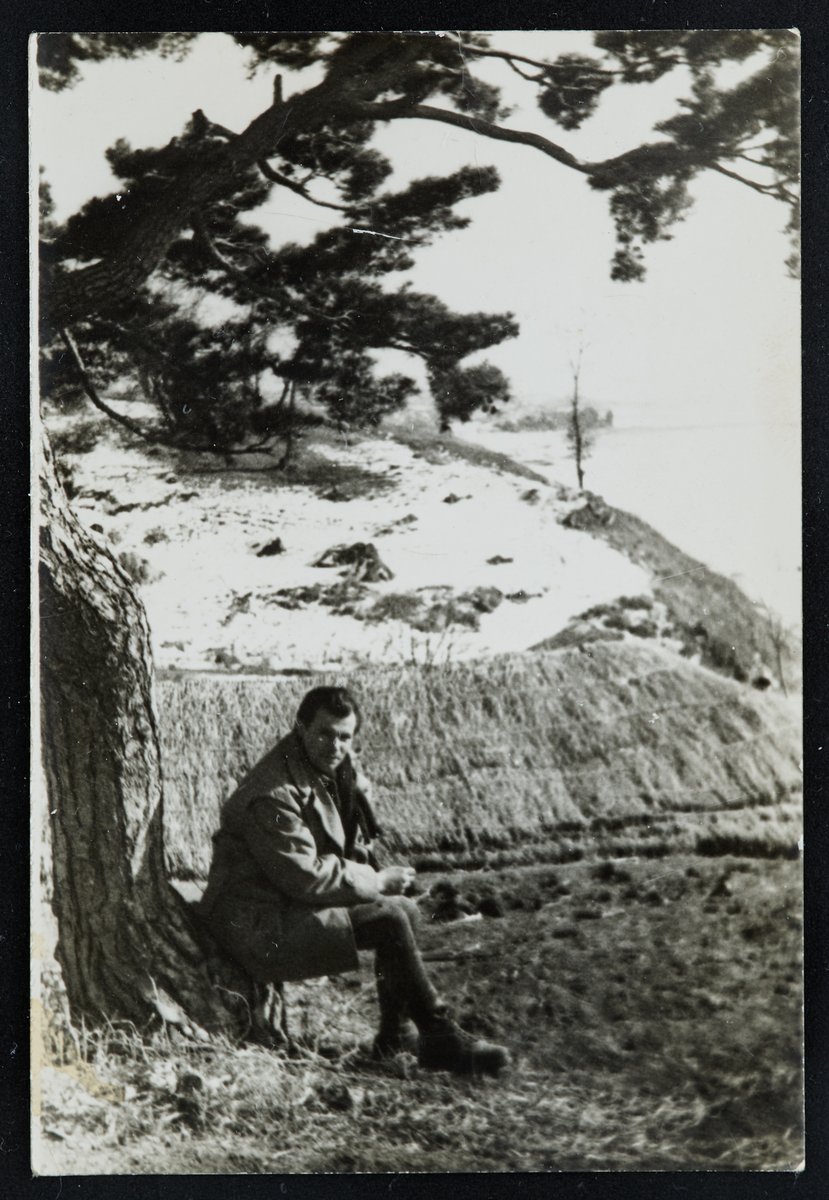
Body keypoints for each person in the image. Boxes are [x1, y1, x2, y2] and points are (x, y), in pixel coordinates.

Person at [198, 685, 510, 1076]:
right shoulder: (272, 794)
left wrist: (359, 805)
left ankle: (396, 1034)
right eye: (325, 733)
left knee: (406, 910)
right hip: (255, 924)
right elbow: (305, 877)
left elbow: (344, 848)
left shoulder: (326, 771)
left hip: (285, 906)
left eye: (345, 737)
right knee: (389, 918)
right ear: (301, 728)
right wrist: (376, 881)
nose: (335, 746)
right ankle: (440, 1036)